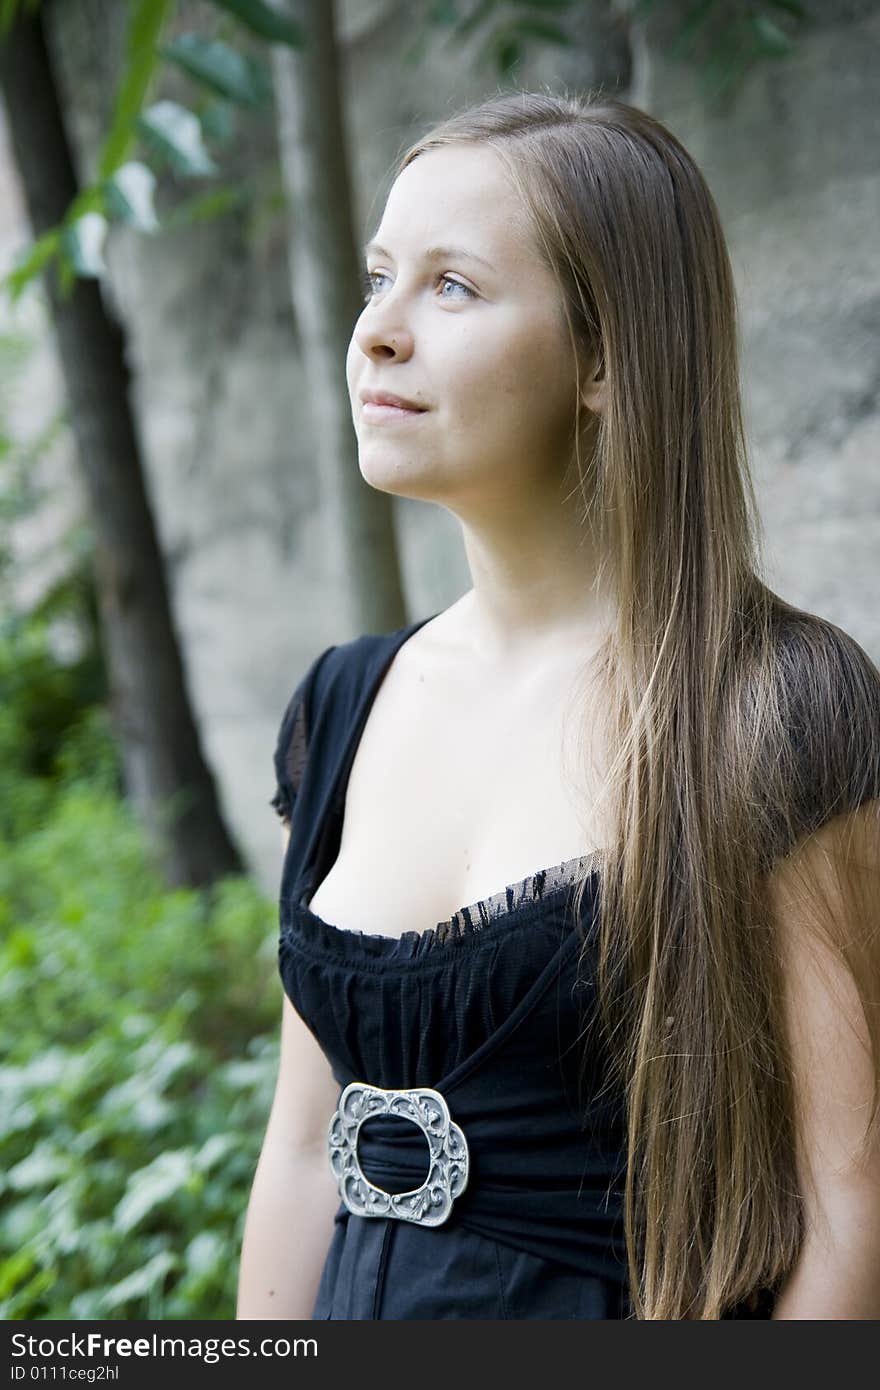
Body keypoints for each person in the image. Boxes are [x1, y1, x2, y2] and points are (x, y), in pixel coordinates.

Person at [236, 90, 880, 1320]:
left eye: (454, 287)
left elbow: (850, 1204)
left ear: (603, 357)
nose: (377, 332)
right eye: (380, 278)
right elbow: (297, 1150)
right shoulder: (342, 705)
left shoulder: (776, 709)